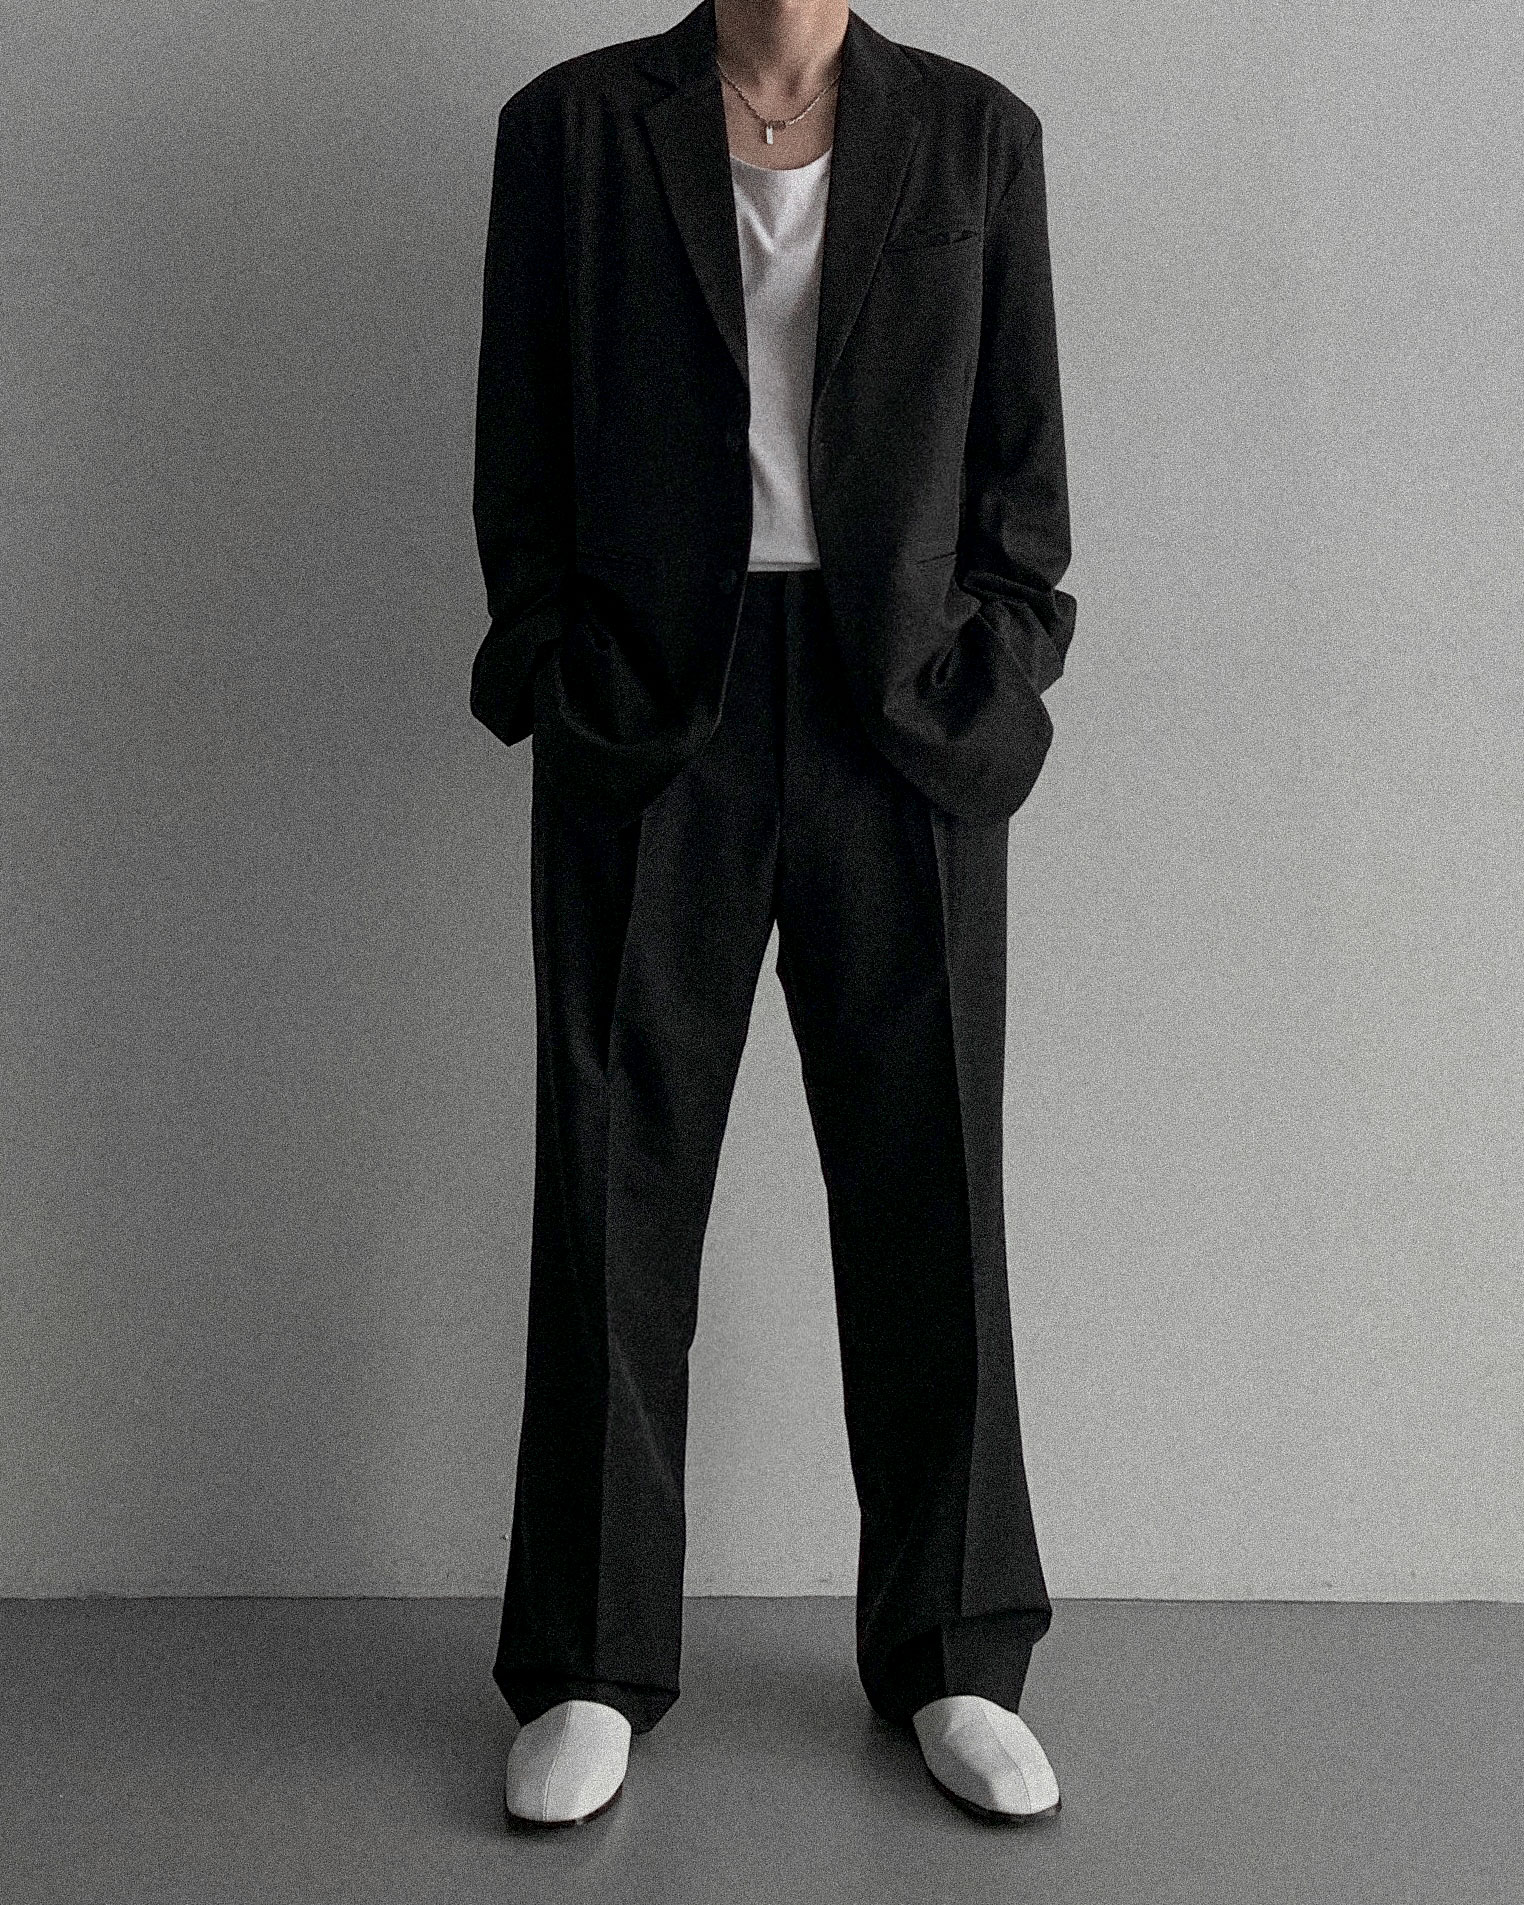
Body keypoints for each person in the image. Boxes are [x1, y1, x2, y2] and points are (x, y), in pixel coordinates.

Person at [471, 0, 1077, 1828]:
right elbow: (520, 439)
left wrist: (995, 671)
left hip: (903, 715)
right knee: (614, 1176)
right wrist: (552, 665)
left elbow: (1024, 475)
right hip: (655, 712)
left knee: (929, 1180)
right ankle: (588, 1660)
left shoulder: (974, 135)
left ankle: (955, 1650)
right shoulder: (574, 130)